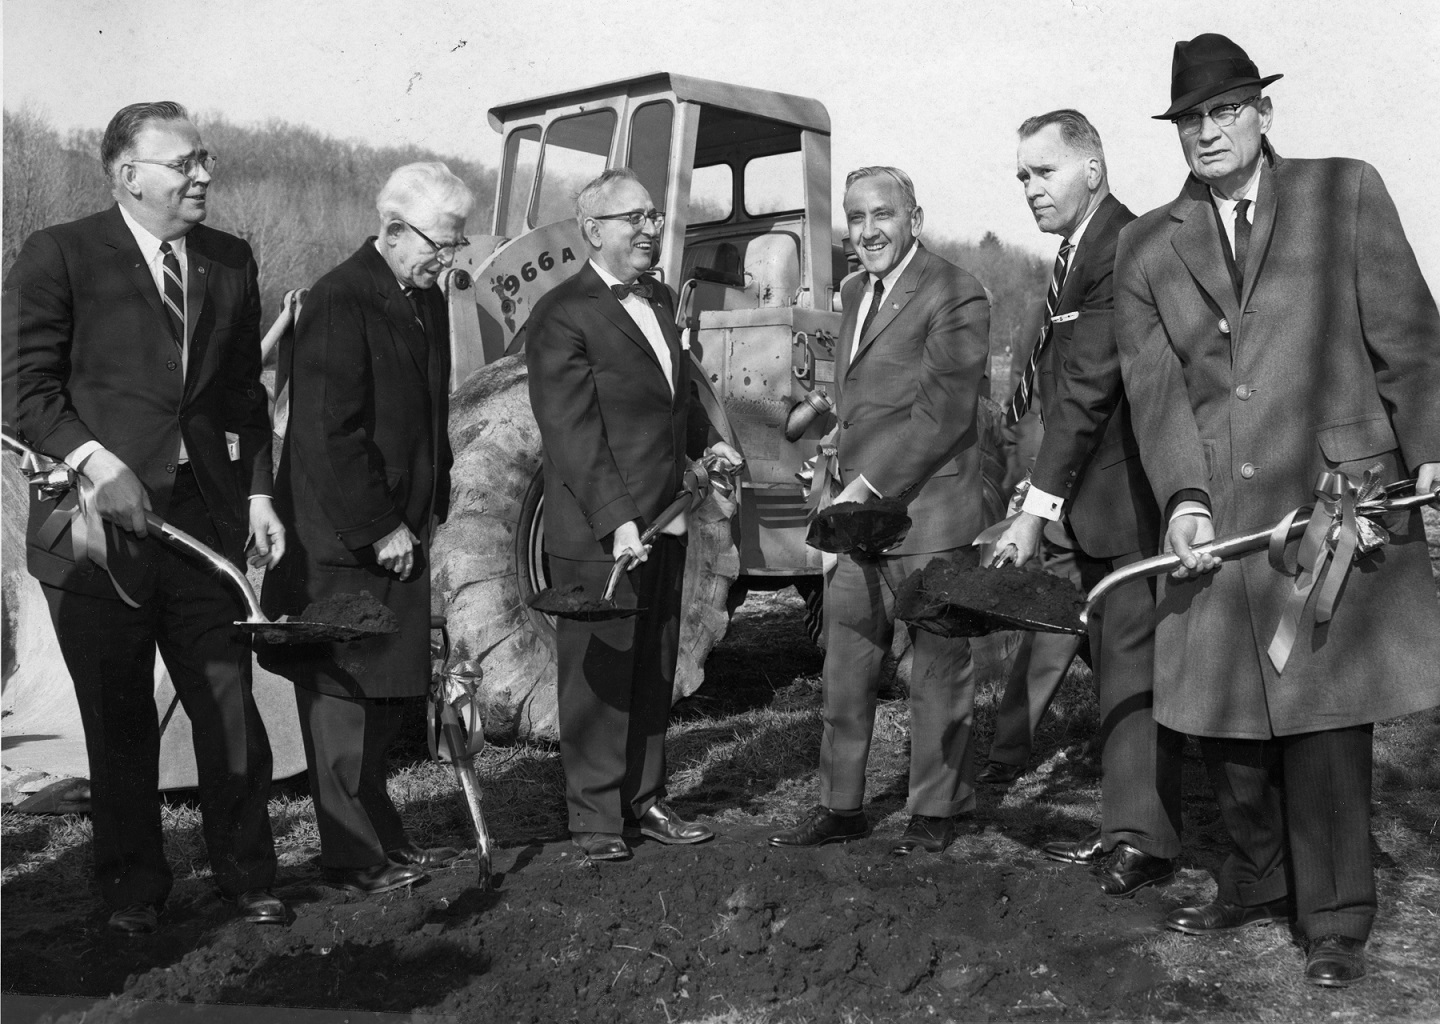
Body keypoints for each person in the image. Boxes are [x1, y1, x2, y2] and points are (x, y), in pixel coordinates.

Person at [1115, 33, 1440, 987]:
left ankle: (1336, 914)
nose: (1208, 133)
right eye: (1190, 121)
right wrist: (1181, 498)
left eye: (1225, 112)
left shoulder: (1345, 192)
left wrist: (1431, 451)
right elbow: (1156, 390)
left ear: (1264, 113)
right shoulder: (1147, 245)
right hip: (1219, 508)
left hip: (1340, 500)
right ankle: (1254, 880)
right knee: (1222, 715)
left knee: (1326, 716)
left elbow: (1409, 340)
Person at [3, 101, 287, 934]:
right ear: (128, 175)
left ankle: (246, 876)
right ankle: (131, 893)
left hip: (202, 526)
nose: (203, 174)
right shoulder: (59, 253)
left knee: (229, 703)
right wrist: (98, 463)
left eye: (205, 159)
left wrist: (261, 492)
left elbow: (243, 392)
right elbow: (25, 391)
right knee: (119, 717)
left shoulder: (230, 259)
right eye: (183, 162)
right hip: (92, 532)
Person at [260, 163, 473, 894]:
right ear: (390, 229)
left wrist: (429, 507)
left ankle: (381, 838)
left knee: (385, 698)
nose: (447, 258)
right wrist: (381, 526)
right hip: (347, 541)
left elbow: (428, 411)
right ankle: (350, 859)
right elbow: (327, 433)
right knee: (343, 701)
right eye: (438, 243)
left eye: (454, 243)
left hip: (400, 533)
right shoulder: (336, 298)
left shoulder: (423, 296)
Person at [769, 167, 991, 856]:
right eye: (856, 218)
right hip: (856, 515)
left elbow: (940, 415)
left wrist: (864, 485)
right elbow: (864, 400)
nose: (868, 231)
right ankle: (842, 806)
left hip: (930, 515)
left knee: (937, 670)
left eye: (883, 215)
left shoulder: (958, 293)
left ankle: (935, 812)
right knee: (847, 661)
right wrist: (834, 454)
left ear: (914, 219)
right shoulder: (855, 291)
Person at [525, 168, 743, 862]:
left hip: (667, 521)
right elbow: (572, 432)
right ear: (594, 230)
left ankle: (645, 801)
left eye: (654, 217)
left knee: (653, 667)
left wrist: (712, 449)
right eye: (635, 219)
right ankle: (593, 823)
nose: (652, 229)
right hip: (602, 531)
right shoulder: (561, 313)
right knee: (597, 676)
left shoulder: (656, 301)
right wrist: (618, 522)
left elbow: (671, 406)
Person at [990, 110, 1180, 896]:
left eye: (1044, 171)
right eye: (1022, 177)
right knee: (1116, 669)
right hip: (1093, 501)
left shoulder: (1120, 246)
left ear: (1093, 169)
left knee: (1132, 668)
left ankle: (1145, 839)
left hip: (1132, 502)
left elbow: (1088, 392)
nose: (1031, 189)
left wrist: (1036, 511)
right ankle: (1124, 829)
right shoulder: (1074, 255)